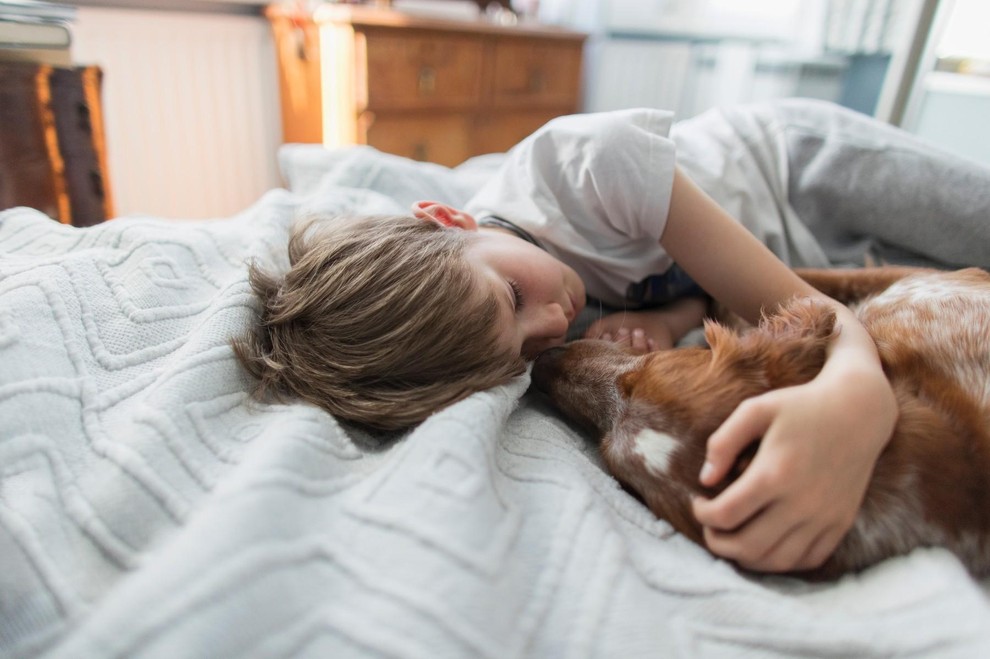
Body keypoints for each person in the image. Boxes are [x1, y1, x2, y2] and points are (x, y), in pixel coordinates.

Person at [234, 98, 990, 574]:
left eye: (511, 294)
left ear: (448, 217)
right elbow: (705, 294)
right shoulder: (535, 326)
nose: (553, 324)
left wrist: (856, 406)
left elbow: (813, 315)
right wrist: (666, 324)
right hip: (807, 258)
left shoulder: (592, 166)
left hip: (799, 174)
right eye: (526, 349)